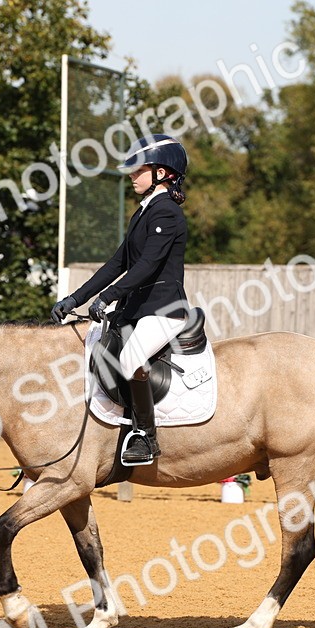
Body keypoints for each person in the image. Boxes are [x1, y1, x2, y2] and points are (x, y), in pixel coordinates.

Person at [50, 133, 190, 466]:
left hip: (164, 309)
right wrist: (75, 299)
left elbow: (147, 266)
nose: (131, 175)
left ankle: (145, 436)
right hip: (136, 310)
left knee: (130, 362)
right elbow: (117, 264)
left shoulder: (166, 212)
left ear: (162, 172)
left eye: (139, 169)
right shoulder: (143, 213)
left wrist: (109, 296)